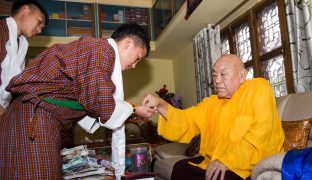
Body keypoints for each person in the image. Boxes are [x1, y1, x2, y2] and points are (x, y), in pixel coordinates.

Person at [0, 23, 154, 179]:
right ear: (128, 43)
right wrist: (133, 110)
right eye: (137, 58)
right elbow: (100, 104)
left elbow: (88, 101)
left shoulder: (97, 52)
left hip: (32, 115)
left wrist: (130, 110)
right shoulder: (101, 49)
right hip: (33, 117)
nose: (134, 66)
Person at [141, 54, 285, 180]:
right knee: (180, 167)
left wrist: (228, 161)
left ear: (242, 76)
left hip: (248, 163)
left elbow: (263, 133)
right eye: (215, 75)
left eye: (223, 74)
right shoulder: (211, 103)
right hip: (216, 160)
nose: (216, 80)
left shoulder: (258, 88)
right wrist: (160, 104)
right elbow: (186, 121)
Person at [0, 0, 48, 119]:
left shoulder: (22, 44)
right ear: (25, 10)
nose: (39, 30)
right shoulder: (2, 30)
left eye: (42, 28)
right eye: (39, 22)